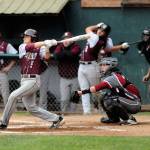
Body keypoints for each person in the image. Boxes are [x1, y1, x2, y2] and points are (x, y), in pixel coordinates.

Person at [0, 28, 64, 129]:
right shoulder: (22, 46)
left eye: (26, 36)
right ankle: (56, 119)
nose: (24, 38)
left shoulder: (41, 48)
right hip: (24, 80)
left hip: (33, 80)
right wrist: (45, 42)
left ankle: (3, 122)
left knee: (13, 95)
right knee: (31, 108)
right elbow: (30, 46)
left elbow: (47, 57)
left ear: (32, 38)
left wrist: (47, 46)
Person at [78, 22, 129, 114]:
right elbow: (109, 49)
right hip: (81, 65)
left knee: (97, 89)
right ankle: (87, 112)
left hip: (92, 65)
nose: (100, 31)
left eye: (102, 30)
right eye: (100, 29)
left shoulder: (95, 37)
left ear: (105, 33)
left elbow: (87, 28)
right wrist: (121, 46)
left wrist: (97, 26)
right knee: (84, 89)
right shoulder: (102, 39)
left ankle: (103, 109)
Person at [77, 57, 141, 125]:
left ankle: (129, 119)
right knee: (103, 97)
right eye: (101, 65)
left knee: (111, 100)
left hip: (134, 103)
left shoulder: (114, 76)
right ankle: (113, 118)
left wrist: (80, 92)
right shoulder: (108, 76)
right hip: (127, 100)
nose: (102, 67)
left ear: (111, 65)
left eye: (105, 65)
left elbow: (97, 88)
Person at [53, 32, 81, 112]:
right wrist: (64, 54)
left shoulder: (76, 46)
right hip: (64, 78)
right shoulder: (60, 46)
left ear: (72, 40)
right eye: (64, 39)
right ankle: (64, 113)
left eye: (68, 39)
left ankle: (73, 114)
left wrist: (63, 54)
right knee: (64, 99)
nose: (66, 41)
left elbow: (72, 54)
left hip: (76, 77)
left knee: (74, 98)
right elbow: (56, 56)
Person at [0, 32, 18, 106]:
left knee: (5, 93)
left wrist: (9, 67)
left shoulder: (5, 45)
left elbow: (16, 55)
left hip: (1, 72)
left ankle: (8, 112)